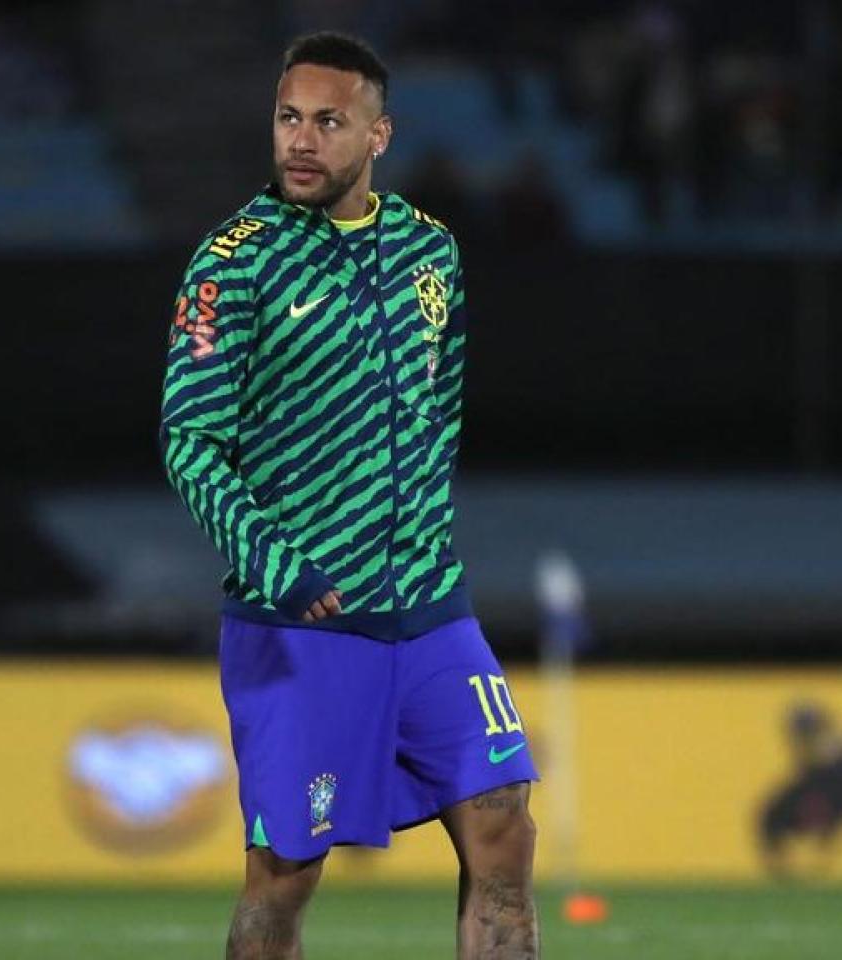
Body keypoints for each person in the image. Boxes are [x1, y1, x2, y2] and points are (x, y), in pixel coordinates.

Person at [159, 31, 541, 960]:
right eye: (289, 118)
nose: (300, 140)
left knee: (504, 825)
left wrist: (420, 545)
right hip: (302, 624)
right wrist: (278, 565)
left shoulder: (431, 254)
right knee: (283, 877)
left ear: (378, 136)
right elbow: (190, 444)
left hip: (429, 610)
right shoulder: (232, 262)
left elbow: (437, 413)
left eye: (328, 122)